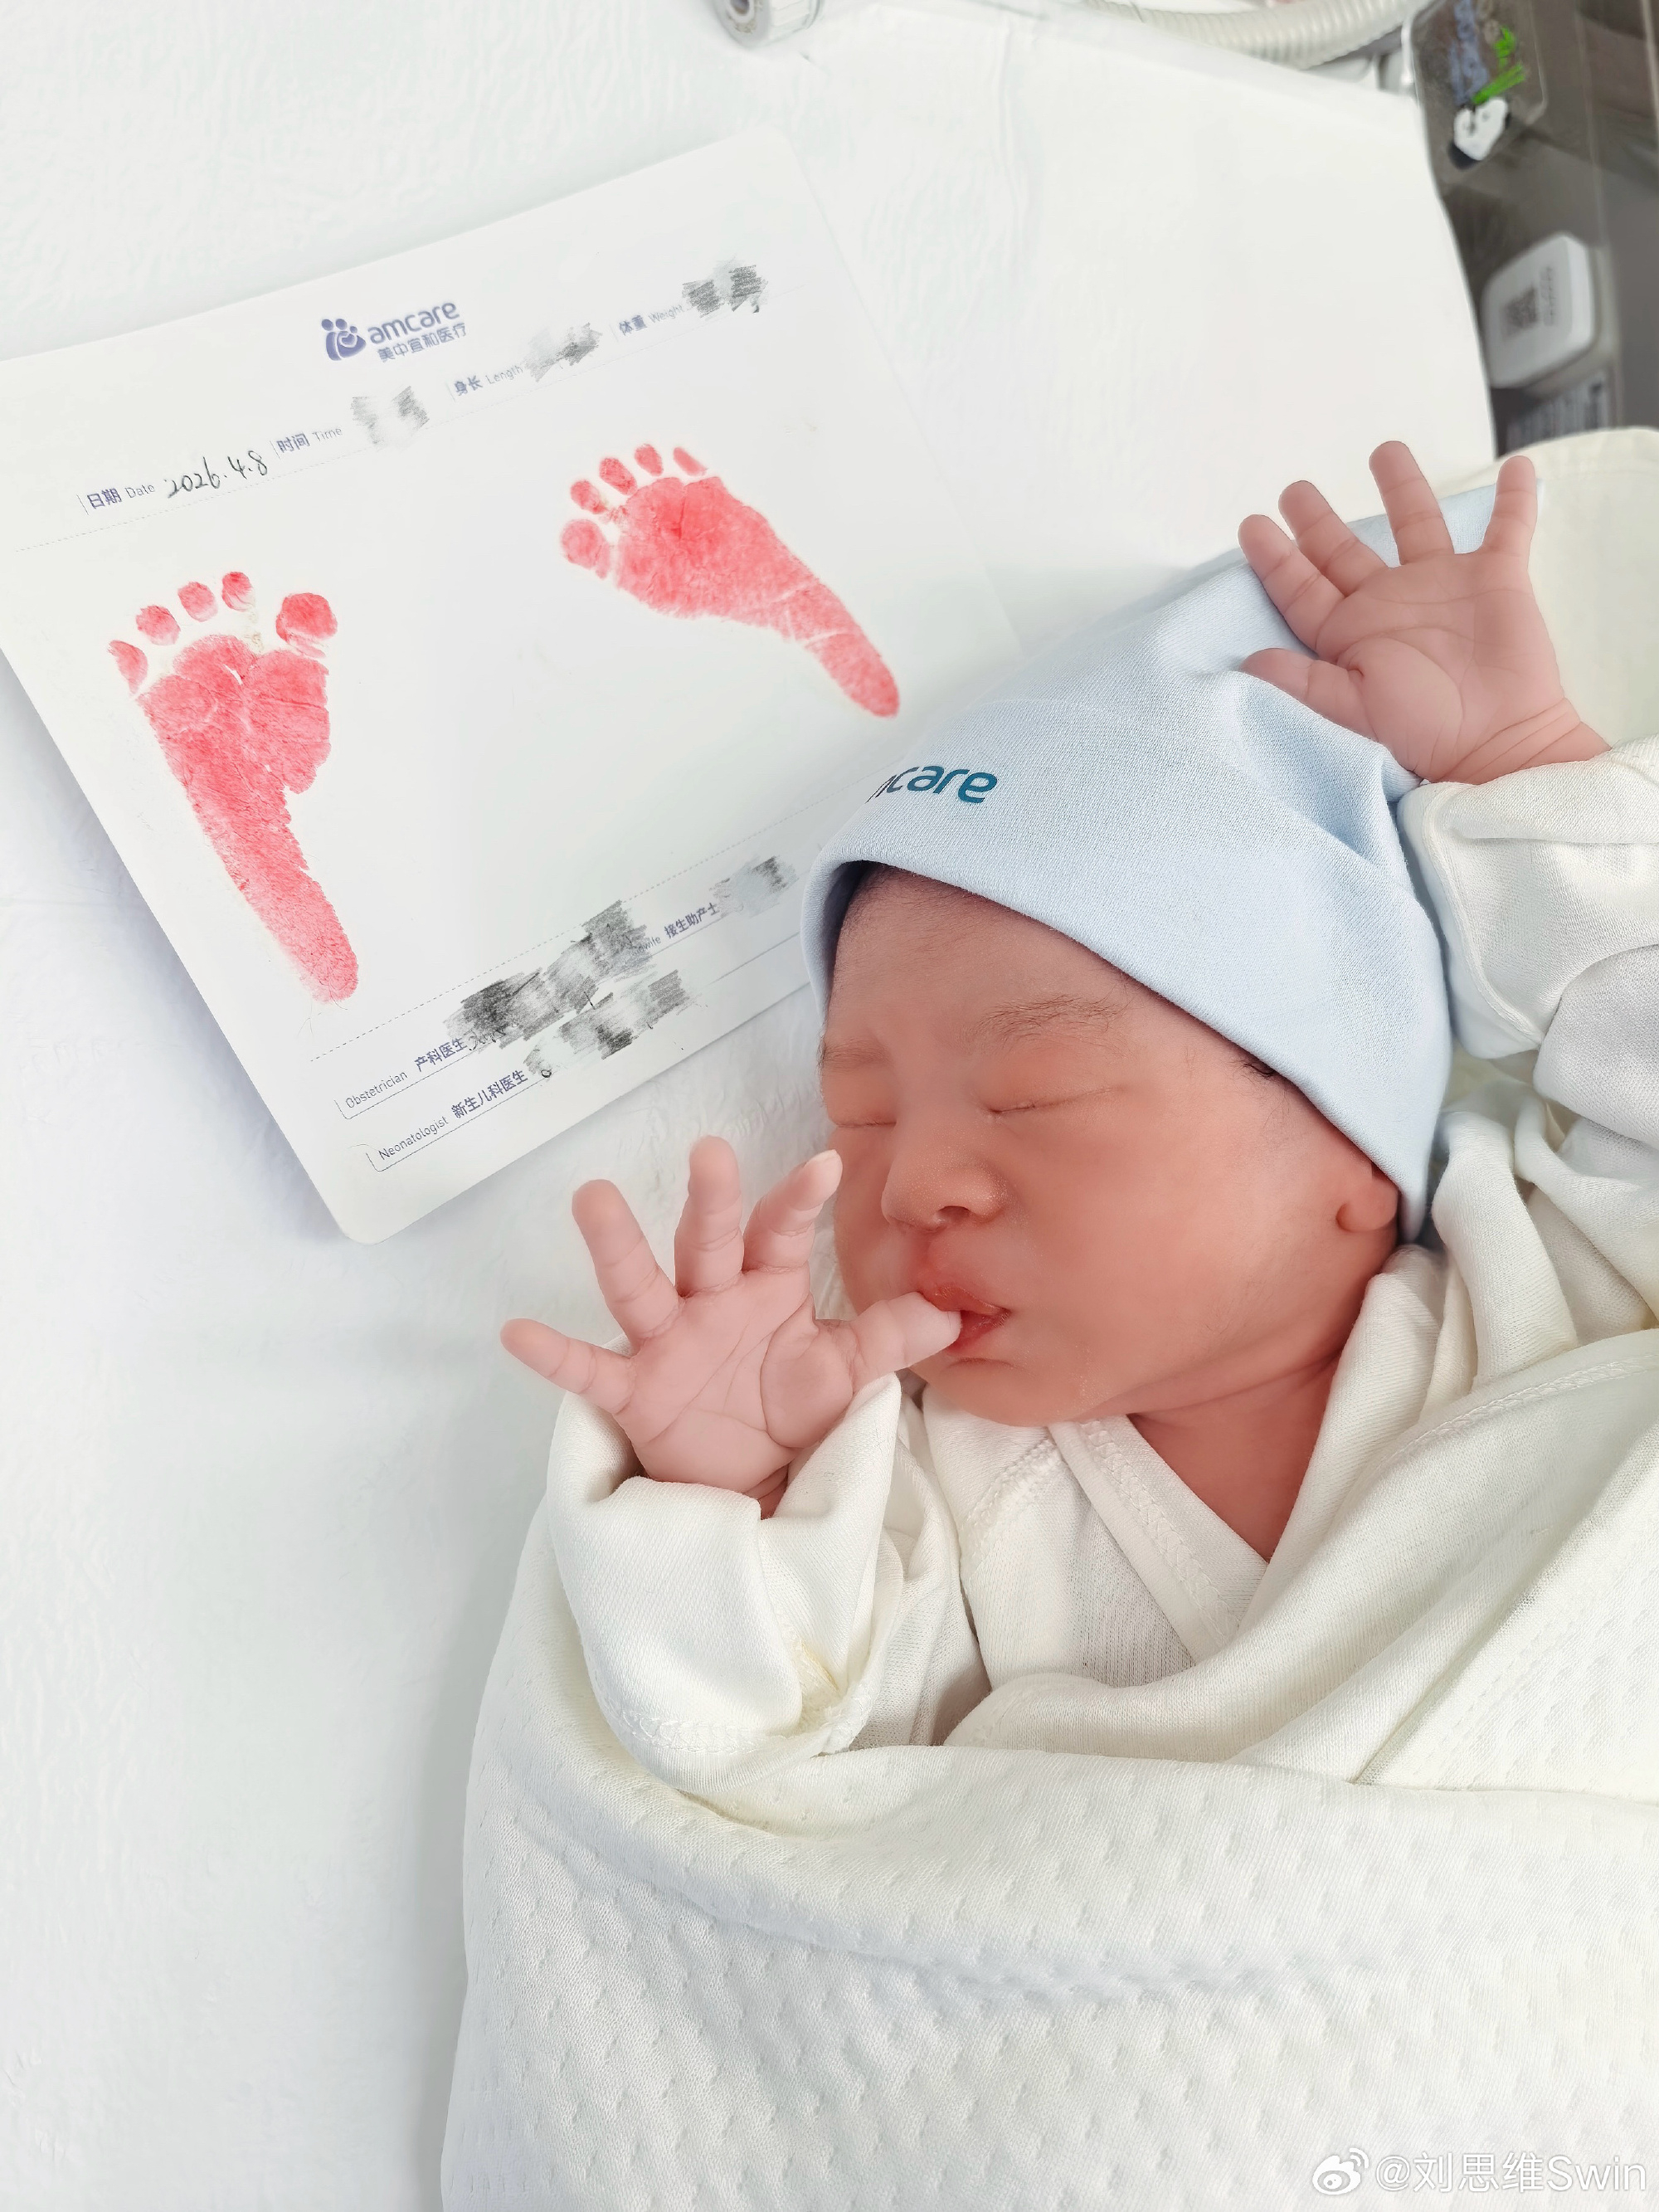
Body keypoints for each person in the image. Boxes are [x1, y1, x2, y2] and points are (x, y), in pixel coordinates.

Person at [494, 441, 1656, 1791]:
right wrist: (741, 1492)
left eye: (1030, 1096)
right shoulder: (939, 1493)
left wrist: (1521, 760)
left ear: (1349, 1144)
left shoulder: (1541, 1284)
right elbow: (774, 1743)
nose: (911, 1185)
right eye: (859, 1117)